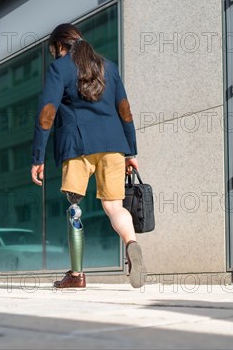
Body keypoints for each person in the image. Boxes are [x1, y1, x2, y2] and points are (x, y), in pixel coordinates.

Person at [30, 23, 145, 289]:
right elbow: (125, 111)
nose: (54, 56)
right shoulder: (109, 67)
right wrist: (131, 152)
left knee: (75, 207)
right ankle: (132, 244)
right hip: (114, 145)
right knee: (115, 207)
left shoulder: (59, 68)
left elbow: (47, 113)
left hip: (77, 145)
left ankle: (77, 275)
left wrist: (38, 157)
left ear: (60, 46)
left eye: (53, 51)